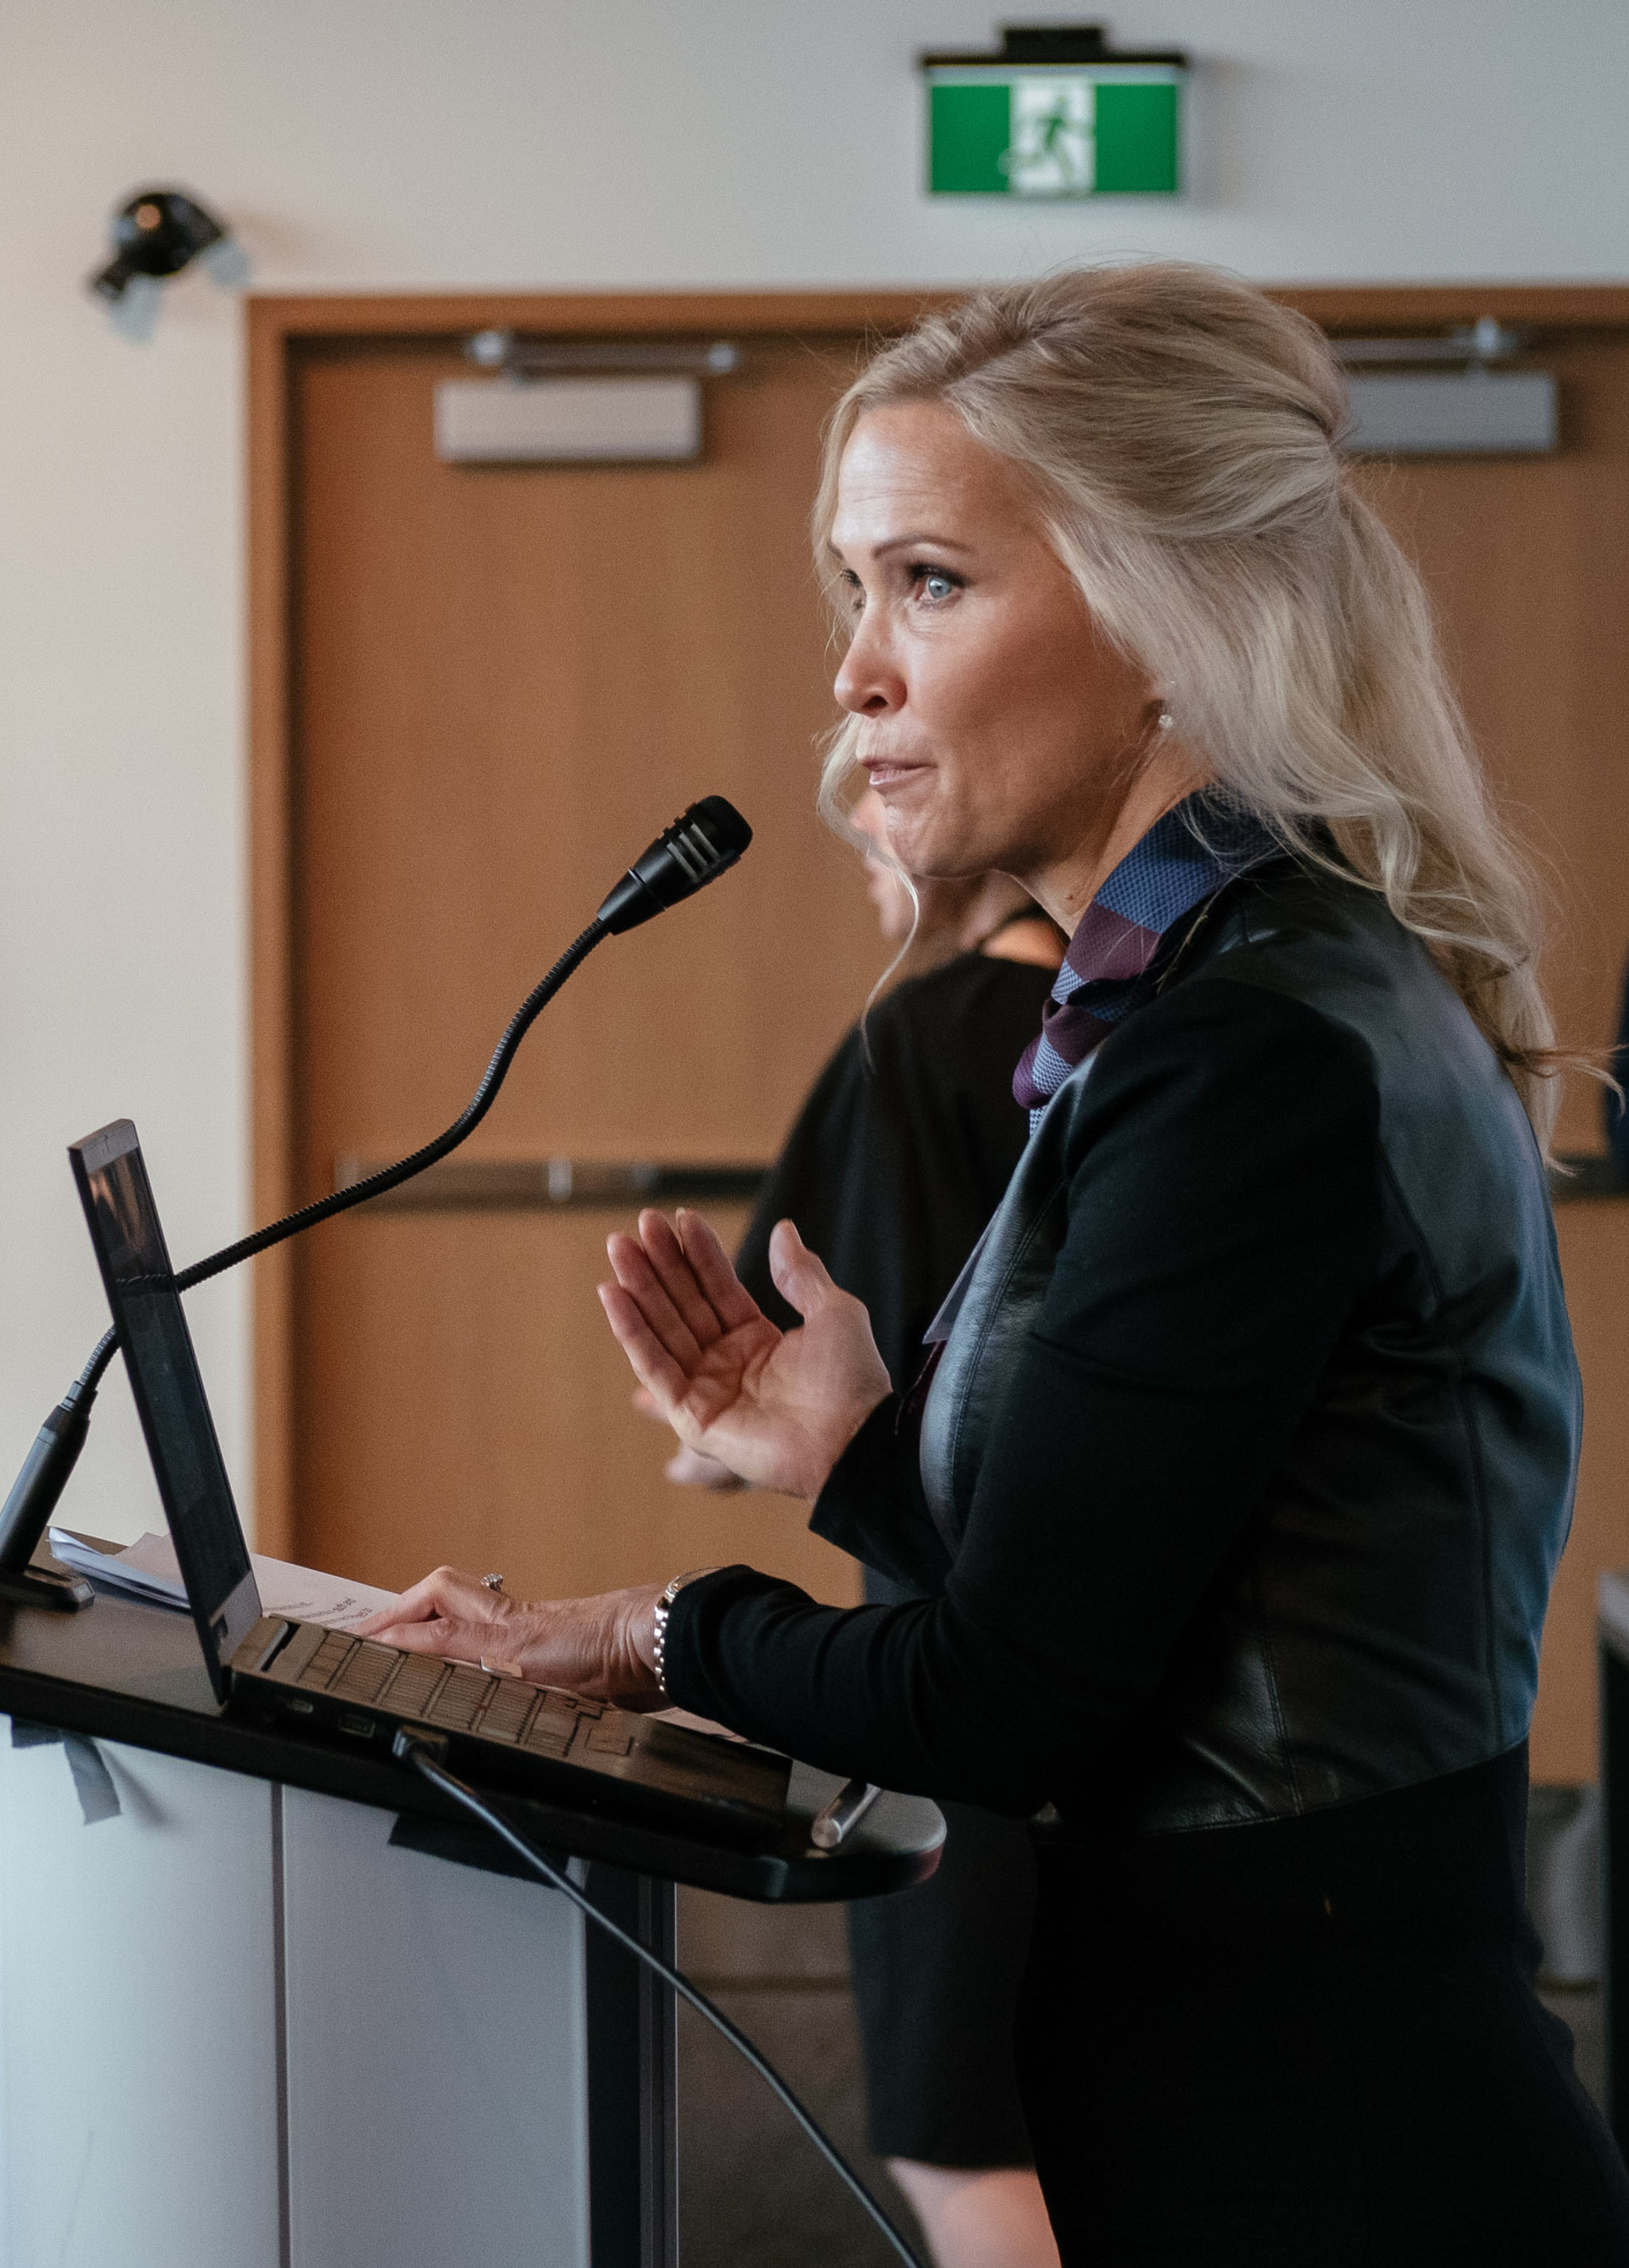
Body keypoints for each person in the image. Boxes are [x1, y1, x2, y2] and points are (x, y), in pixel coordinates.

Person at [361, 264, 1629, 2262]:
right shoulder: (1225, 993)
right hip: (1269, 2086)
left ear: (1161, 621)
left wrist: (638, 1633)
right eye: (852, 594)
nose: (856, 671)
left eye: (927, 582)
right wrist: (863, 1459)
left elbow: (1006, 1698)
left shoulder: (1245, 1050)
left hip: (1327, 2141)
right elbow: (1165, 1598)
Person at [657, 794, 1063, 2268]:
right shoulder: (1133, 1032)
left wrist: (717, 1430)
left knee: (965, 2148)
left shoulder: (921, 1038)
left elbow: (826, 1398)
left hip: (952, 1676)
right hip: (1121, 1678)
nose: (869, 887)